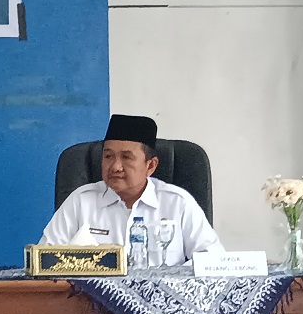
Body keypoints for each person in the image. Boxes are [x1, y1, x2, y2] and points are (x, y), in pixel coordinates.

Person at [41, 113, 221, 265]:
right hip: (92, 296)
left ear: (150, 166)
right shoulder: (81, 201)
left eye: (126, 158)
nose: (115, 167)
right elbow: (45, 261)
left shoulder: (177, 203)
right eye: (108, 156)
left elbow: (213, 260)